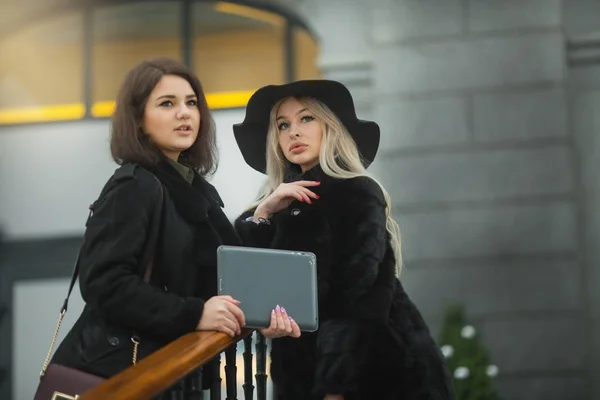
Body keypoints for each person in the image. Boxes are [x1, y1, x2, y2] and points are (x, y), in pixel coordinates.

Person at [233, 80, 454, 400]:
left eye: (307, 118)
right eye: (283, 125)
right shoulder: (277, 206)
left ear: (330, 127)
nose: (293, 131)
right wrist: (264, 213)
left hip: (375, 372)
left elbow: (355, 300)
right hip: (303, 370)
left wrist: (335, 387)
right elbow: (250, 285)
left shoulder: (356, 192)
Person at [50, 58, 249, 385]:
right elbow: (105, 284)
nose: (184, 113)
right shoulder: (135, 185)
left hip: (175, 372)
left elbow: (224, 268)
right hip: (126, 374)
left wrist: (263, 215)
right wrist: (193, 313)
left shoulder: (192, 189)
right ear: (139, 120)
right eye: (167, 103)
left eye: (191, 103)